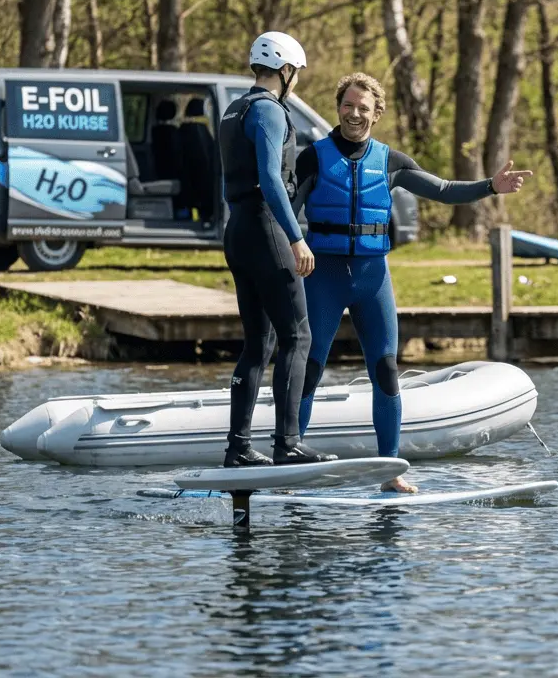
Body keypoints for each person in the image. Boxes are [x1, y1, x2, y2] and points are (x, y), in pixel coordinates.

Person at [293, 73, 532, 492]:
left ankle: (391, 472)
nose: (354, 114)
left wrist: (490, 187)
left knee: (386, 371)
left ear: (377, 114)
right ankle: (289, 461)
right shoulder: (312, 157)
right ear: (338, 108)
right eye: (348, 106)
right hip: (323, 277)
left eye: (363, 108)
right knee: (310, 370)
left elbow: (442, 190)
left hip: (372, 278)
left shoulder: (391, 162)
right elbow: (285, 209)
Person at [218, 31, 334, 467]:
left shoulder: (235, 108)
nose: (296, 81)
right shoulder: (269, 111)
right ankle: (288, 443)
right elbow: (270, 178)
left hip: (239, 232)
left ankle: (238, 448)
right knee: (297, 336)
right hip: (267, 231)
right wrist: (296, 236)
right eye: (296, 73)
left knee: (257, 345)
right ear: (285, 70)